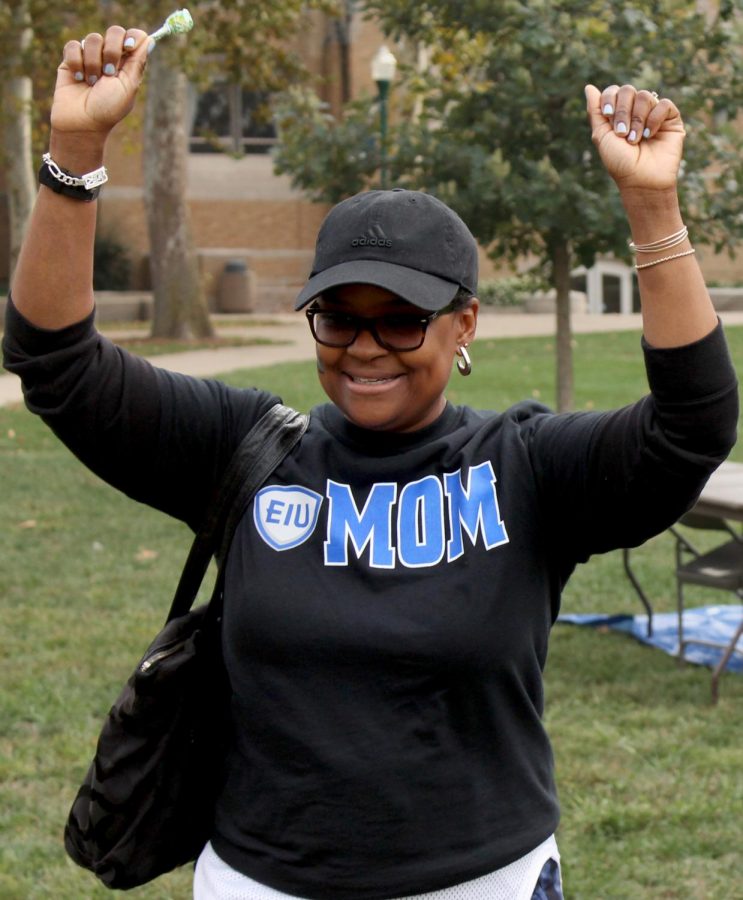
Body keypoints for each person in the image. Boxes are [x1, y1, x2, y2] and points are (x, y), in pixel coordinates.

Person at [3, 24, 738, 900]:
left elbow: (689, 425)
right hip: (261, 882)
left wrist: (653, 210)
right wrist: (76, 151)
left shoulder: (525, 469)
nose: (365, 347)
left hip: (478, 882)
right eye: (338, 317)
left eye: (399, 319)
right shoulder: (247, 453)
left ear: (462, 324)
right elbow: (58, 366)